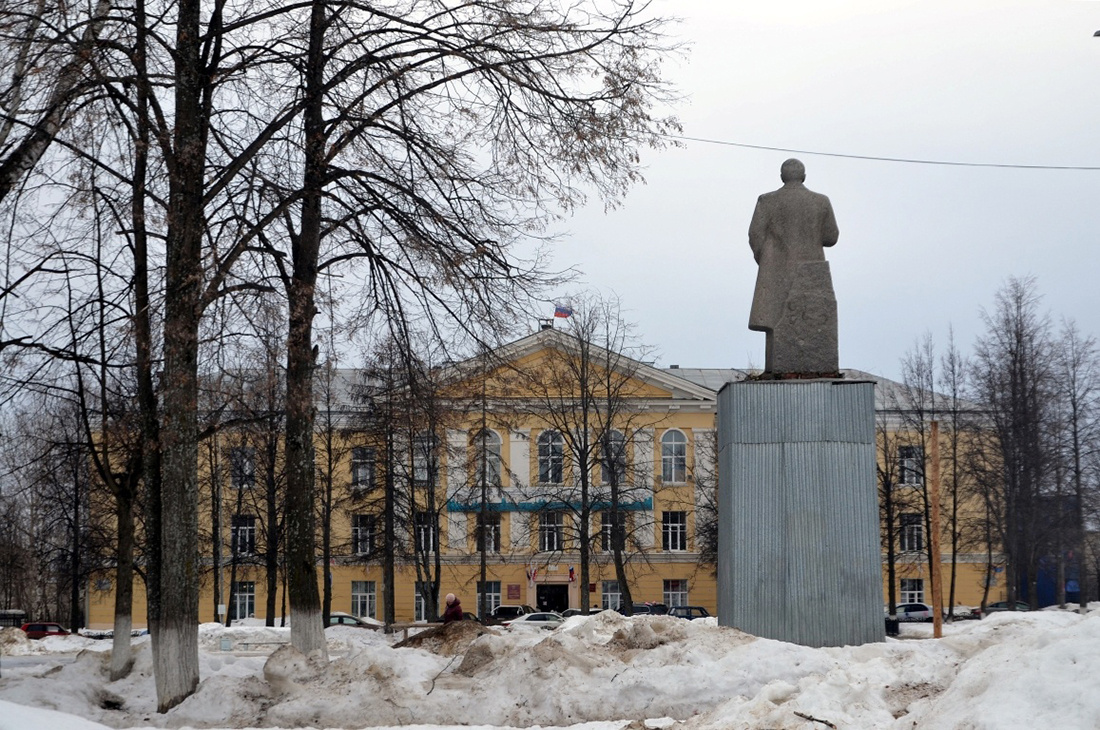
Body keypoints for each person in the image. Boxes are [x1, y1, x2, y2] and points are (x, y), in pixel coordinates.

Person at [747, 158, 840, 374]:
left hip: (775, 273)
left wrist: (766, 260)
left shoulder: (767, 201)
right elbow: (831, 236)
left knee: (775, 321)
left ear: (782, 177)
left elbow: (755, 235)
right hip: (812, 275)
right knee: (808, 321)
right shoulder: (821, 201)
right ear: (804, 177)